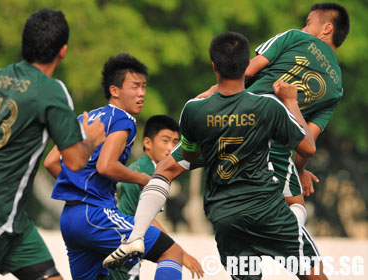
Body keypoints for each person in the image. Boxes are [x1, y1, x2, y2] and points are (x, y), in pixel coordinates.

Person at [105, 31, 331, 280]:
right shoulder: (268, 105)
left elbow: (189, 157)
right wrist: (291, 102)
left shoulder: (194, 109)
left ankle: (136, 235)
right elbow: (308, 147)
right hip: (266, 210)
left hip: (225, 217)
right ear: (247, 65)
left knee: (164, 170)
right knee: (311, 266)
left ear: (214, 66)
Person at [144, 2, 351, 227]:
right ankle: (290, 247)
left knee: (166, 168)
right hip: (273, 147)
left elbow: (247, 70)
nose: (303, 27)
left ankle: (137, 234)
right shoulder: (337, 88)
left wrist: (215, 91)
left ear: (327, 28)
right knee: (295, 203)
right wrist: (300, 170)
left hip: (233, 117)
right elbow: (307, 140)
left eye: (308, 23)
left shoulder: (295, 37)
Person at [0, 8, 105, 280]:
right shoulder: (51, 91)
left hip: (16, 224)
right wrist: (90, 139)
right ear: (63, 51)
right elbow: (76, 161)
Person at [44, 54, 184, 280]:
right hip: (95, 215)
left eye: (144, 87)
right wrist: (142, 179)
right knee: (172, 252)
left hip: (70, 218)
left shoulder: (84, 118)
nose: (142, 93)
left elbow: (50, 162)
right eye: (135, 86)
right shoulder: (122, 119)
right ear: (114, 90)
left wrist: (81, 188)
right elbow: (106, 166)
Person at [110, 115, 204, 279]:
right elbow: (146, 219)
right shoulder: (143, 173)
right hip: (122, 244)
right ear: (147, 143)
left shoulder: (148, 169)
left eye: (175, 143)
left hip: (126, 243)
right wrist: (181, 254)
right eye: (165, 141)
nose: (170, 148)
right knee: (172, 253)